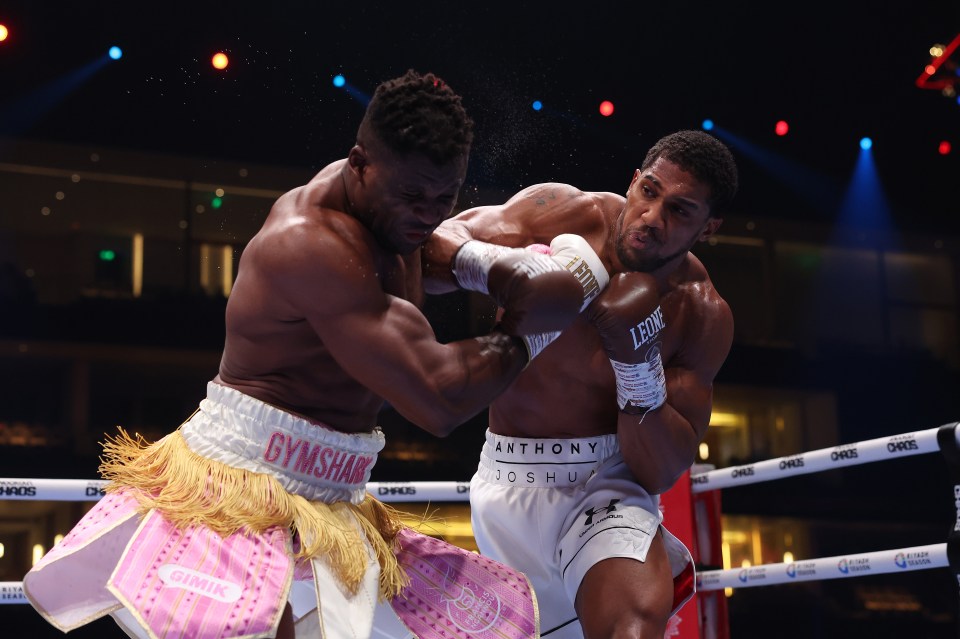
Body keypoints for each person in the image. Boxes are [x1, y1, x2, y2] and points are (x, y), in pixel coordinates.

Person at [23, 70, 597, 639]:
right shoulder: (313, 244)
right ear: (359, 164)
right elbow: (438, 397)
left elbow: (449, 238)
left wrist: (487, 264)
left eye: (443, 196)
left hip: (333, 491)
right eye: (412, 195)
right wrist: (529, 330)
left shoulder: (394, 216)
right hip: (242, 484)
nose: (426, 213)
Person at [423, 129, 738, 639]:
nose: (652, 219)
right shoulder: (566, 214)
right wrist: (513, 272)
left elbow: (659, 469)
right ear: (634, 182)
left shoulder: (699, 312)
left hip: (607, 485)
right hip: (506, 481)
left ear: (709, 227)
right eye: (650, 192)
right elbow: (430, 250)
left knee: (631, 628)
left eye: (680, 211)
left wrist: (638, 368)